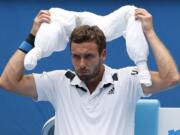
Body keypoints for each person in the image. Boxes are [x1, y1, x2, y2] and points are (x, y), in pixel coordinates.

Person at [0, 8, 179, 135]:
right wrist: (32, 37)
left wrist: (149, 32)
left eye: (89, 56)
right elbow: (8, 82)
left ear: (104, 55)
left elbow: (171, 77)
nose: (82, 64)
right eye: (76, 57)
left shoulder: (127, 80)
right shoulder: (58, 82)